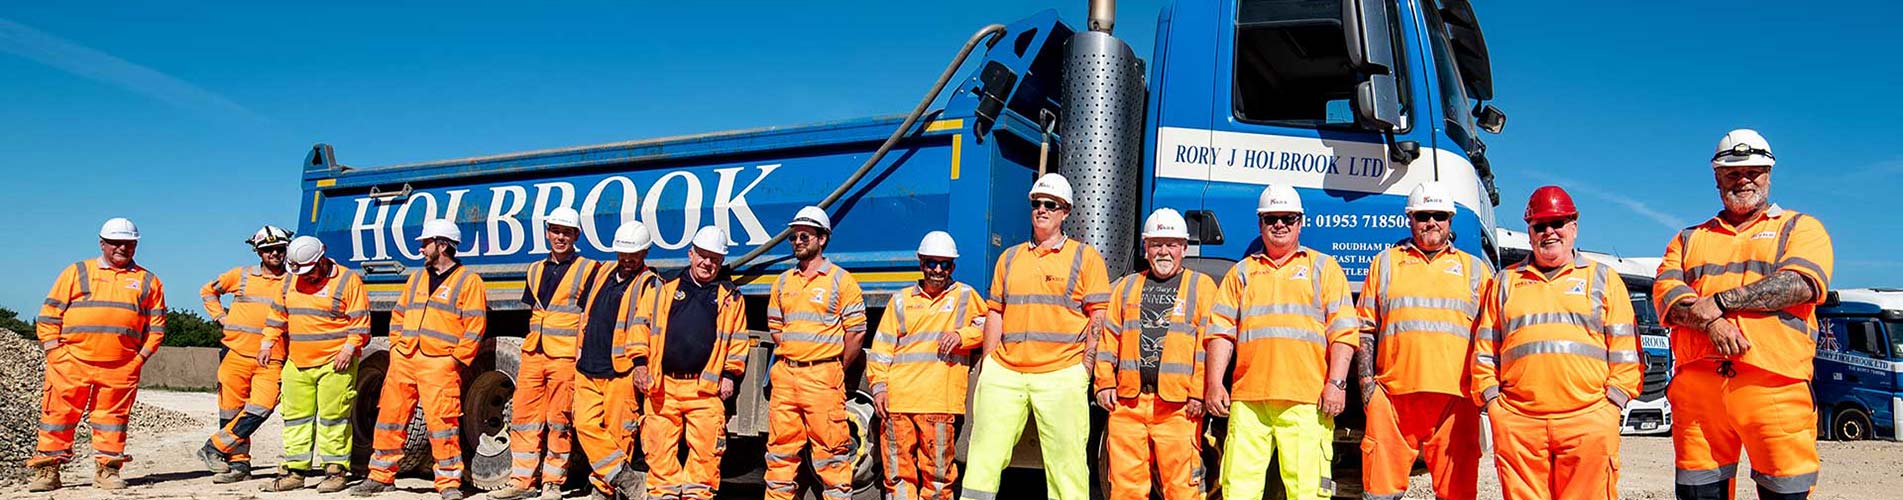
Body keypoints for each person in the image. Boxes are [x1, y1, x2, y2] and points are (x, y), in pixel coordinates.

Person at [1655, 129, 1834, 500]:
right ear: (1717, 178)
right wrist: (1713, 323)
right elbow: (1667, 296)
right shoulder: (1687, 239)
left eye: (1753, 172)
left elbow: (1800, 284)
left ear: (1768, 175)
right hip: (1698, 391)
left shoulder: (1799, 228)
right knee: (1698, 492)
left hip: (1776, 385)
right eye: (1733, 173)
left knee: (1785, 491)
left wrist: (1721, 303)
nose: (1744, 180)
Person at [1471, 185, 1641, 500]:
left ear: (1573, 227)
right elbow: (1484, 351)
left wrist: (1611, 406)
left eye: (1557, 223)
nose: (1549, 232)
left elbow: (1626, 352)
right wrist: (1493, 404)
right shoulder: (1505, 282)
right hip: (1519, 422)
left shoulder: (1603, 279)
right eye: (1540, 225)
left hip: (1588, 420)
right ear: (1530, 232)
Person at [961, 173, 1111, 500]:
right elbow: (996, 312)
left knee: (1067, 465)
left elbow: (1098, 317)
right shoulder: (1009, 258)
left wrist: (1085, 369)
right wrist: (989, 364)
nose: (1042, 209)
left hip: (1062, 374)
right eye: (1037, 203)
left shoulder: (1085, 258)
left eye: (1051, 204)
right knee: (983, 458)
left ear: (1065, 211)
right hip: (1005, 373)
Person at [1205, 185, 1356, 500]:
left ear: (1301, 222)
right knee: (1238, 490)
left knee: (1307, 492)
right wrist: (1215, 384)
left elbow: (1343, 333)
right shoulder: (1241, 273)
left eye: (1288, 218)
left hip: (1307, 400)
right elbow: (1220, 331)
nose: (1279, 225)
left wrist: (1336, 384)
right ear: (1260, 223)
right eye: (1271, 218)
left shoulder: (1323, 268)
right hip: (1248, 401)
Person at [1355, 183, 1490, 500]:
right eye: (1423, 215)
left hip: (1457, 402)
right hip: (1393, 399)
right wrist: (1367, 386)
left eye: (1439, 215)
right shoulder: (1385, 264)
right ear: (1410, 218)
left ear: (1450, 220)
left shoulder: (1476, 270)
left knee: (1457, 494)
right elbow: (1364, 328)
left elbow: (1492, 336)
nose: (1431, 222)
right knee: (1379, 493)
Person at [26, 217, 166, 492]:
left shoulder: (148, 281)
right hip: (70, 361)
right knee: (58, 417)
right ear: (102, 243)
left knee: (112, 420)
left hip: (120, 366)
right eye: (115, 242)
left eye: (128, 243)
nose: (122, 248)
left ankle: (107, 470)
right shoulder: (77, 272)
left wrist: (138, 361)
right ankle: (48, 471)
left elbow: (156, 329)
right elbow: (49, 315)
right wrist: (54, 352)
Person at [353, 219, 488, 500]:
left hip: (440, 362)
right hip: (405, 357)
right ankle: (380, 476)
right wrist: (396, 347)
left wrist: (456, 360)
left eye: (426, 243)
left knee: (442, 423)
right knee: (389, 417)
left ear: (443, 245)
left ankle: (448, 482)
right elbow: (398, 314)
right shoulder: (416, 278)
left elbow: (475, 325)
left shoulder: (468, 281)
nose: (421, 249)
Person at [1095, 209, 1215, 500]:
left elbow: (1208, 346)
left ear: (1184, 248)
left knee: (1182, 489)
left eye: (1171, 244)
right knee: (1126, 489)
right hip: (1128, 405)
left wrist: (1199, 392)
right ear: (1145, 247)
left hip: (1178, 408)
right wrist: (1104, 383)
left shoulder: (1201, 287)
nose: (1163, 251)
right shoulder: (1127, 287)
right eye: (1156, 244)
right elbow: (1109, 339)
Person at [867, 231, 986, 500]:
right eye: (932, 263)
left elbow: (990, 328)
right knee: (898, 477)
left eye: (945, 264)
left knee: (938, 479)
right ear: (921, 263)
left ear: (952, 267)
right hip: (898, 404)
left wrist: (962, 336)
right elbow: (882, 349)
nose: (938, 270)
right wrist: (879, 388)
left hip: (939, 404)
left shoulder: (965, 296)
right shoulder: (901, 300)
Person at [763, 206, 868, 500]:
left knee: (832, 454)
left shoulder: (841, 281)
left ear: (822, 239)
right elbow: (776, 328)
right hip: (786, 376)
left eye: (805, 236)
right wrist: (796, 354)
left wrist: (833, 366)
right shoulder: (783, 282)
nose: (797, 241)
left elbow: (856, 332)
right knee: (780, 454)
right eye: (794, 236)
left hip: (823, 376)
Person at [639, 226, 750, 500]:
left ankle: (698, 495)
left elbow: (738, 339)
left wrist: (730, 375)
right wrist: (640, 364)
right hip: (663, 385)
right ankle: (663, 494)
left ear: (721, 262)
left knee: (706, 450)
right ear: (691, 254)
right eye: (703, 255)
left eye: (714, 258)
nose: (707, 263)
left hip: (704, 389)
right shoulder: (664, 287)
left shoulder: (730, 296)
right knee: (658, 445)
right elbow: (641, 326)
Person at [494, 207, 596, 500]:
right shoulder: (535, 269)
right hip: (534, 352)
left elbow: (590, 314)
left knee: (559, 419)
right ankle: (521, 481)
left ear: (576, 236)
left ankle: (552, 482)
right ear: (548, 233)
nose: (560, 237)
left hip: (564, 355)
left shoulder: (588, 269)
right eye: (555, 231)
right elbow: (536, 309)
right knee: (524, 416)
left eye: (566, 233)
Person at [260, 236, 369, 493]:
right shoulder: (290, 279)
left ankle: (335, 472)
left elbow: (360, 321)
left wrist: (348, 349)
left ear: (322, 259)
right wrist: (266, 343)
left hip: (335, 362)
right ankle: (296, 472)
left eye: (309, 271)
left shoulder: (347, 280)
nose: (306, 277)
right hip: (297, 361)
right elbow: (277, 316)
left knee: (334, 420)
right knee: (295, 419)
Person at [570, 222, 662, 499]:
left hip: (620, 369)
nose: (627, 259)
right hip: (588, 365)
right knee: (584, 425)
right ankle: (625, 478)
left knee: (619, 434)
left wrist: (640, 364)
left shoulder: (650, 284)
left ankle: (603, 490)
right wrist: (579, 348)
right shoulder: (602, 273)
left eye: (633, 254)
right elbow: (586, 314)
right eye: (623, 253)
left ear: (645, 252)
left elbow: (647, 328)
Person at [195, 225, 294, 484]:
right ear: (258, 252)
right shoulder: (242, 275)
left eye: (279, 249)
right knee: (231, 410)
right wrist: (220, 317)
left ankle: (214, 447)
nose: (275, 253)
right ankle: (238, 465)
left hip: (272, 357)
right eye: (268, 249)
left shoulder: (293, 281)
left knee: (262, 406)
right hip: (236, 352)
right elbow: (208, 291)